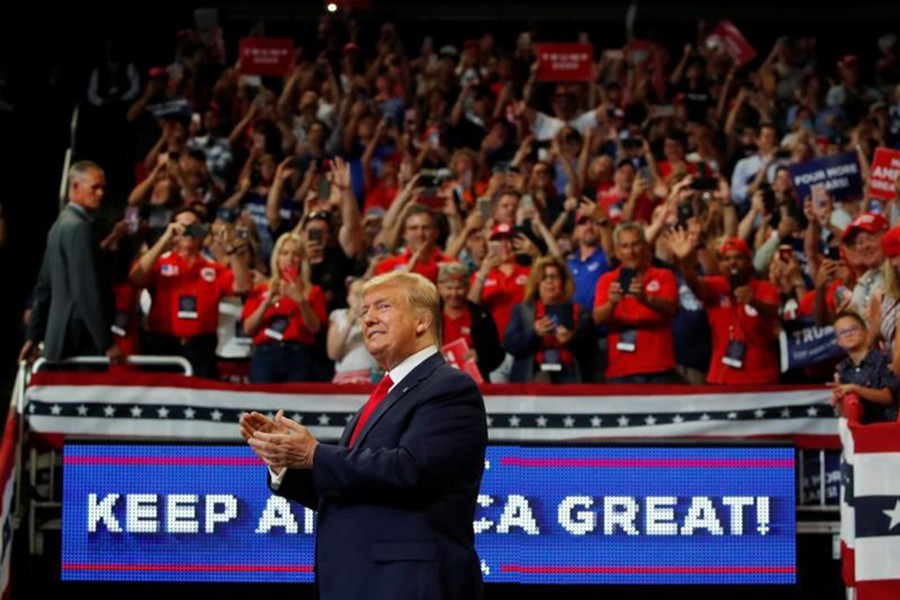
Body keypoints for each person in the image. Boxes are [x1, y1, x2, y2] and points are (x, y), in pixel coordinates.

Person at [240, 271, 487, 600]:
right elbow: (347, 487)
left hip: (410, 584)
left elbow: (410, 470)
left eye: (382, 307)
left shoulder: (449, 387)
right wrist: (284, 460)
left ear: (422, 322)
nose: (368, 318)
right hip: (359, 581)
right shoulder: (382, 397)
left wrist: (314, 455)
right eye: (364, 311)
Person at [20, 161, 124, 364]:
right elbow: (85, 288)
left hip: (59, 340)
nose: (101, 193)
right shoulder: (78, 228)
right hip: (80, 340)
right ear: (75, 187)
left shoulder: (59, 225)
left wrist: (33, 336)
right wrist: (106, 342)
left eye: (103, 188)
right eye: (95, 187)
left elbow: (43, 288)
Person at [241, 232, 327, 383]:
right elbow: (248, 329)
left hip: (298, 356)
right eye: (285, 253)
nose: (290, 259)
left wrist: (301, 300)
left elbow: (314, 328)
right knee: (262, 404)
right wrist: (266, 303)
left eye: (296, 254)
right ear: (277, 258)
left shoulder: (313, 292)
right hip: (266, 355)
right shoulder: (261, 289)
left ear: (302, 260)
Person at [505, 255, 593, 383]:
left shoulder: (580, 312)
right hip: (532, 378)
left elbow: (590, 351)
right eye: (544, 277)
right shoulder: (522, 311)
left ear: (563, 281)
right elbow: (510, 345)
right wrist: (535, 334)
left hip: (570, 378)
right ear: (537, 283)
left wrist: (570, 341)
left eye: (554, 277)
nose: (549, 281)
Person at [829, 310, 899, 424]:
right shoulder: (842, 369)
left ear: (866, 331)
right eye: (842, 332)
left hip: (888, 427)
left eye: (853, 329)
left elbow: (888, 397)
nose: (848, 334)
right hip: (860, 431)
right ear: (838, 341)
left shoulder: (883, 359)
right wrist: (839, 399)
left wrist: (855, 389)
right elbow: (844, 415)